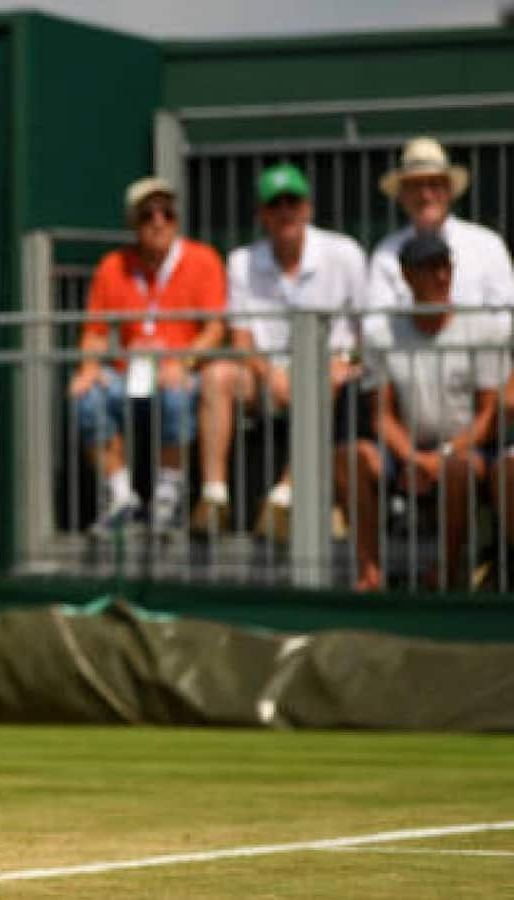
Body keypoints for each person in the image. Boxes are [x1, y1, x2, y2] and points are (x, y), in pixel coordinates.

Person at [192, 163, 367, 539]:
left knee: (323, 379)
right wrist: (271, 375)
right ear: (262, 214)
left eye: (293, 202)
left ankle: (284, 498)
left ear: (307, 209)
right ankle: (214, 497)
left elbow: (367, 331)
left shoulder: (345, 253)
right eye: (275, 204)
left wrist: (346, 362)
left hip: (329, 374)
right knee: (215, 374)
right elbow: (240, 341)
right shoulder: (241, 262)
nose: (285, 211)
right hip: (263, 376)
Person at [333, 233, 511, 591]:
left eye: (445, 266)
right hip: (407, 451)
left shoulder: (484, 329)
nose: (441, 276)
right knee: (350, 457)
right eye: (430, 268)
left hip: (469, 450)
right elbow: (381, 415)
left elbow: (489, 415)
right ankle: (370, 571)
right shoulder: (382, 335)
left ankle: (447, 572)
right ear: (407, 275)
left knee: (457, 468)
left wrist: (440, 456)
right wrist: (413, 457)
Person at [70, 175, 226, 536]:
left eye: (166, 213)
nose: (158, 222)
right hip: (129, 373)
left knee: (177, 394)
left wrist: (184, 362)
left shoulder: (203, 259)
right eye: (147, 215)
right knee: (88, 397)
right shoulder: (113, 266)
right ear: (133, 223)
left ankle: (168, 500)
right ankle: (121, 497)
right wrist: (89, 369)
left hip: (180, 370)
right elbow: (94, 331)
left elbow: (215, 329)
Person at [367, 136, 514, 317]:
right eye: (415, 186)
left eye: (434, 184)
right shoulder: (385, 254)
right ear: (402, 195)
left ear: (449, 190)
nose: (425, 195)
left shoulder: (488, 246)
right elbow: (375, 326)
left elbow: (505, 319)